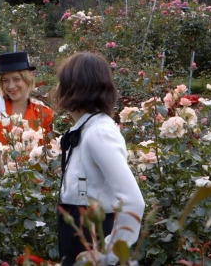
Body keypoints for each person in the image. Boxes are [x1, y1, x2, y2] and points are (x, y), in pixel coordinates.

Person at [52, 51, 145, 266]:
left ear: (74, 88)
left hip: (94, 239)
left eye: (61, 82)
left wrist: (107, 253)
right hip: (79, 236)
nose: (56, 88)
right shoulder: (87, 128)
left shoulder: (99, 132)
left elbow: (133, 201)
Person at [0, 51, 53, 144]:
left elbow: (47, 150)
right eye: (5, 80)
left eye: (16, 79)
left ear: (28, 79)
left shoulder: (42, 112)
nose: (11, 86)